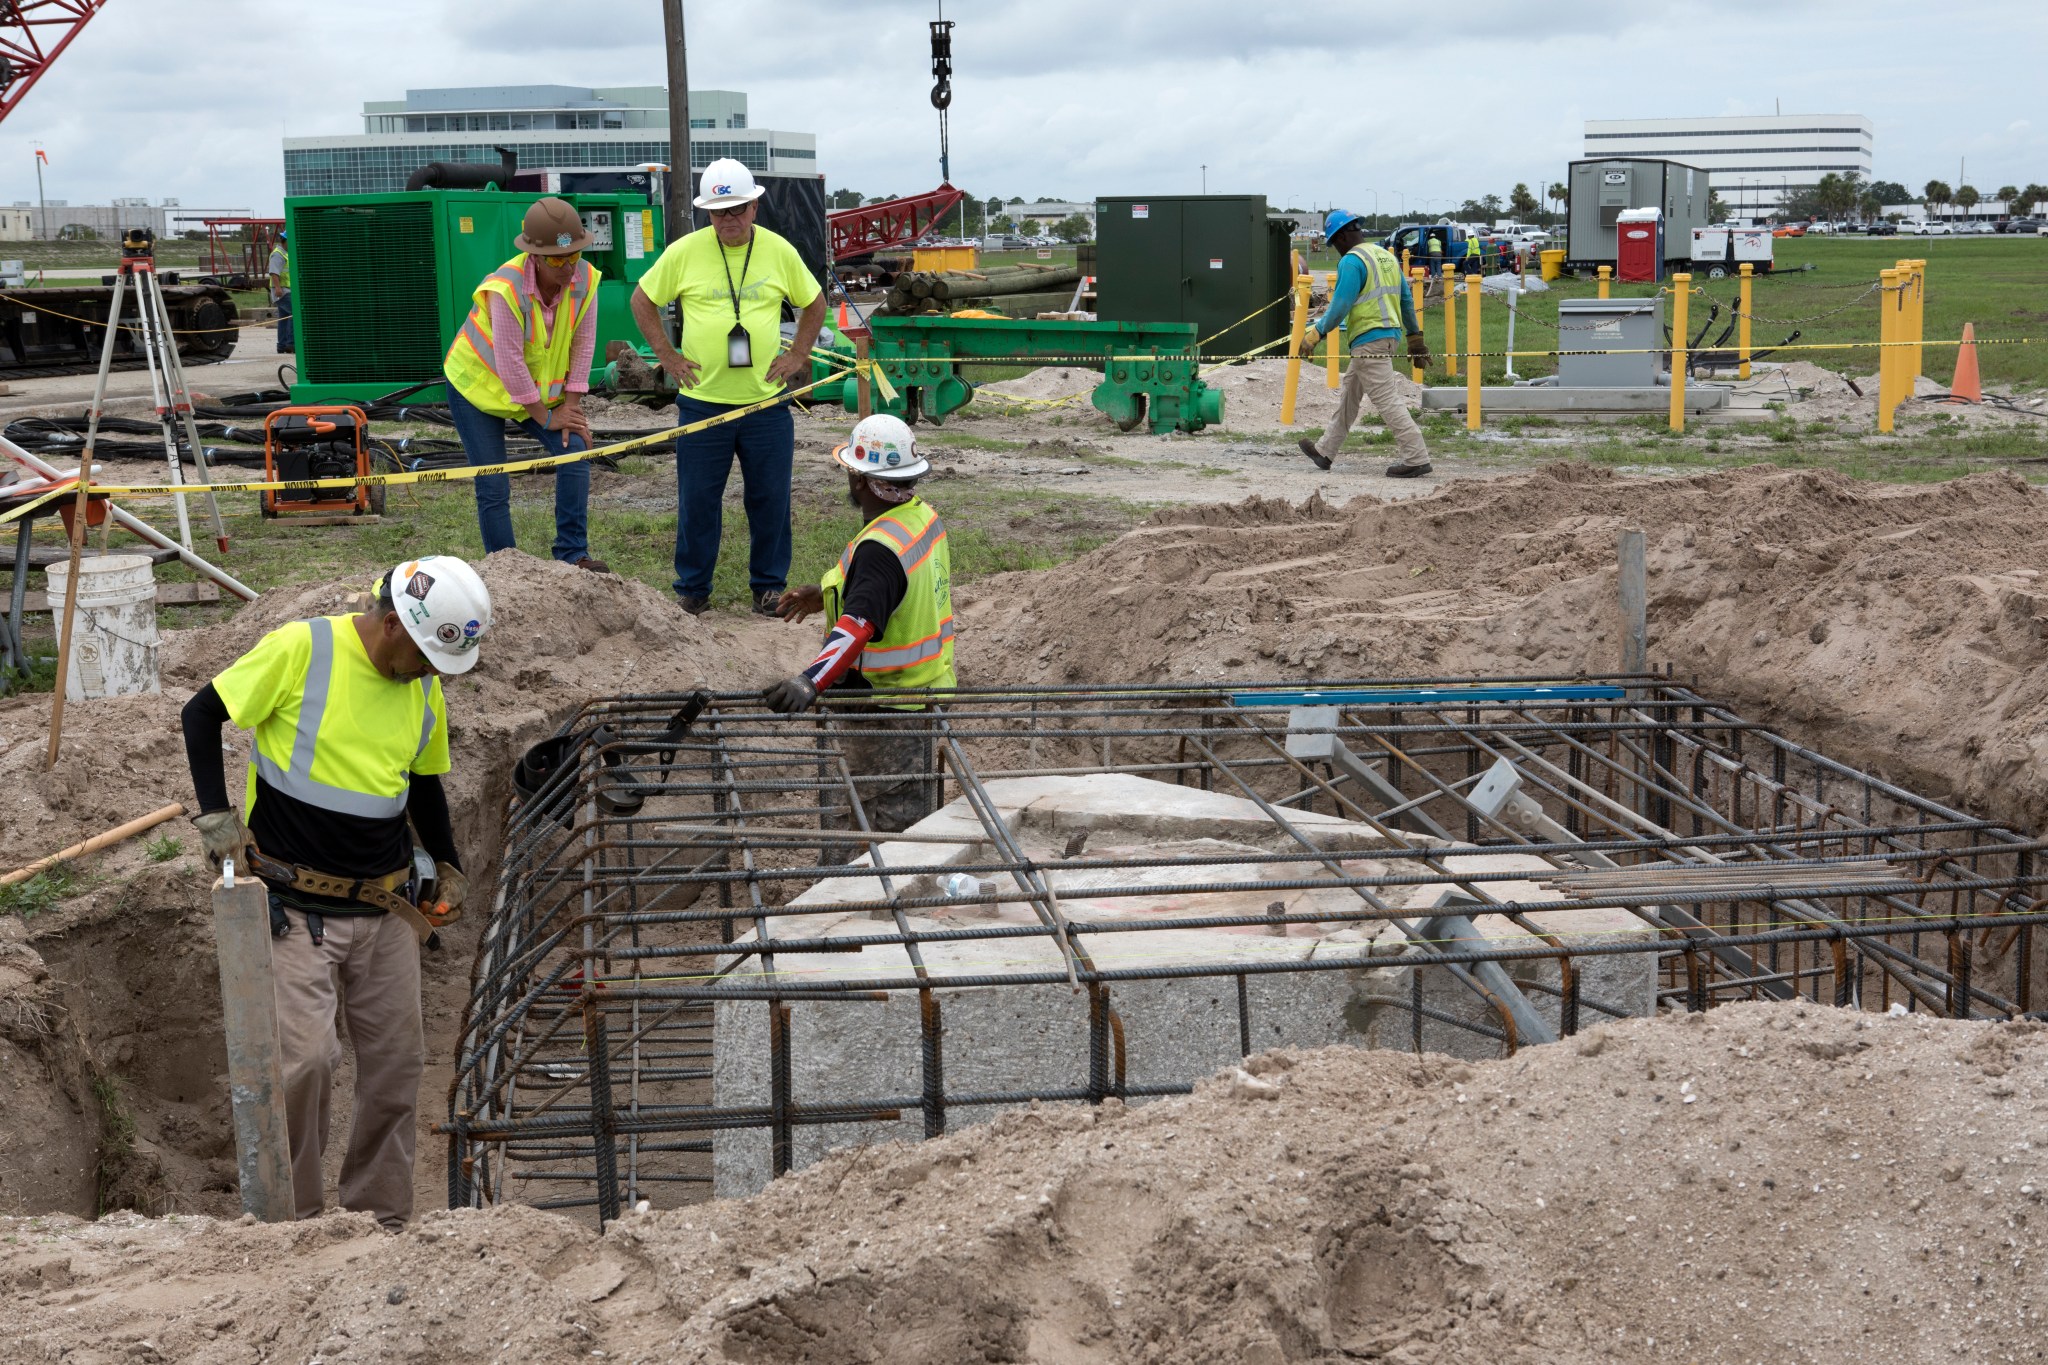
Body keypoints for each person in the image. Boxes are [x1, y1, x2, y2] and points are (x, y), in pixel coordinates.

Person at [179, 555, 493, 1230]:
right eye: (428, 658)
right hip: (293, 906)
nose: (435, 675)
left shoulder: (421, 688)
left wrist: (448, 860)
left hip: (383, 909)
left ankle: (380, 1220)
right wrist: (216, 820)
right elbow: (201, 714)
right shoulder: (302, 650)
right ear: (389, 626)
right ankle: (295, 1225)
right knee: (306, 1063)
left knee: (397, 1066)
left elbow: (424, 784)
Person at [630, 157, 826, 616]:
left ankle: (769, 587)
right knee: (698, 500)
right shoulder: (685, 252)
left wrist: (798, 355)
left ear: (755, 206)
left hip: (765, 405)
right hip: (703, 406)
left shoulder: (779, 250)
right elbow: (642, 299)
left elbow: (814, 304)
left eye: (738, 209)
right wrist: (667, 356)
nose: (729, 220)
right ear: (707, 214)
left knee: (770, 500)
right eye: (720, 212)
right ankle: (693, 588)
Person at [761, 414, 953, 845]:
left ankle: (858, 901)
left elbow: (860, 625)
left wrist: (810, 681)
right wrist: (828, 593)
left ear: (860, 480)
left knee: (874, 827)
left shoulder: (878, 550)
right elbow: (889, 594)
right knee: (914, 816)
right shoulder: (920, 518)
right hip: (926, 695)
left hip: (885, 711)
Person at [442, 198, 608, 574]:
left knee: (575, 449)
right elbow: (510, 362)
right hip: (478, 389)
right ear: (534, 255)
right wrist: (545, 418)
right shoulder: (505, 289)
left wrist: (570, 409)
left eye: (573, 255)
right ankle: (507, 569)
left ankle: (572, 553)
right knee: (494, 484)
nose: (567, 267)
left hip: (533, 392)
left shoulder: (586, 280)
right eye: (556, 259)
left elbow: (583, 346)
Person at [1296, 209, 1434, 479]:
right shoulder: (1386, 257)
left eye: (1335, 242)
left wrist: (1317, 332)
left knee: (1387, 401)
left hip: (1369, 341)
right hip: (1387, 337)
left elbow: (1341, 305)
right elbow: (1406, 301)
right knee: (1350, 395)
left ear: (1345, 235)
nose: (1336, 248)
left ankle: (1417, 457)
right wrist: (1414, 338)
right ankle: (1325, 451)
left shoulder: (1352, 261)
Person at [268, 228, 291, 355]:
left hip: (285, 290)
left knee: (284, 318)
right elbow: (274, 273)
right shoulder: (278, 254)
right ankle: (291, 344)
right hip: (282, 292)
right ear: (285, 240)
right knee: (295, 314)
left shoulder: (286, 253)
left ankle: (281, 345)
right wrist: (277, 288)